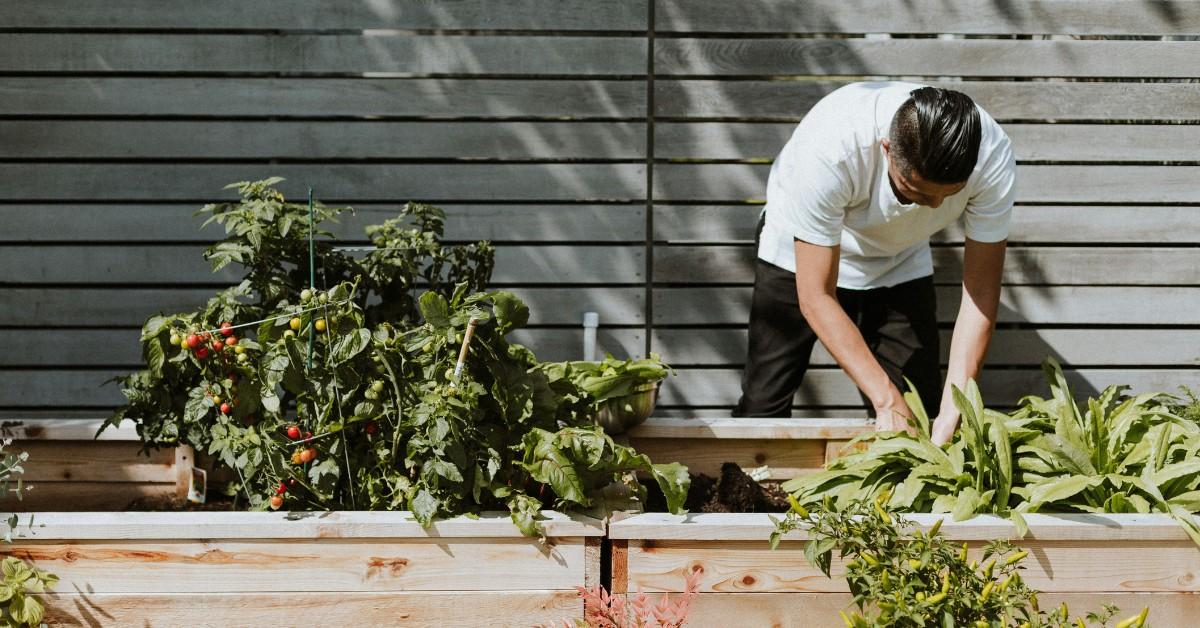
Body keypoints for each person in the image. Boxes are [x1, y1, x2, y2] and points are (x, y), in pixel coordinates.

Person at [732, 82, 1016, 446]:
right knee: (763, 407)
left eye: (949, 196)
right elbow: (816, 296)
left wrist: (955, 406)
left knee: (919, 412)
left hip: (899, 258)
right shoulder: (831, 149)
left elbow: (980, 293)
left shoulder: (991, 156)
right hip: (797, 253)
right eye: (915, 191)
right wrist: (885, 399)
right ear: (887, 149)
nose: (933, 207)